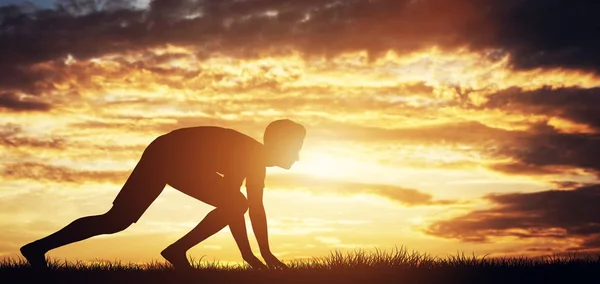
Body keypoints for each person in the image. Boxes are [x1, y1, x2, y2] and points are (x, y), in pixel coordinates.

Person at [20, 119, 306, 270]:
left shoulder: (257, 162)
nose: (298, 156)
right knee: (117, 220)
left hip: (176, 156)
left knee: (116, 221)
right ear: (279, 145)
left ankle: (35, 249)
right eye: (296, 147)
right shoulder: (248, 154)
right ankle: (36, 248)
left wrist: (263, 254)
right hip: (166, 154)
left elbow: (255, 210)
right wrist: (250, 256)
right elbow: (234, 205)